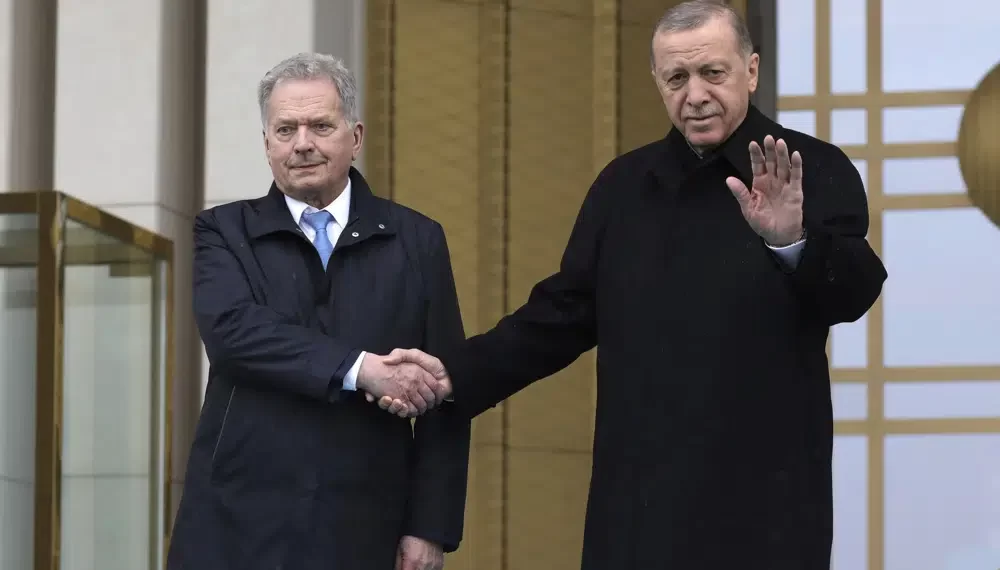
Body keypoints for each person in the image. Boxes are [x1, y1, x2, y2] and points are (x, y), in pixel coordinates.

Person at [365, 2, 888, 569]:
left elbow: (853, 294)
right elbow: (560, 316)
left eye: (713, 73)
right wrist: (455, 374)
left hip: (766, 499)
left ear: (751, 70)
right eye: (676, 78)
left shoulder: (810, 168)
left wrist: (792, 242)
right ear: (658, 83)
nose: (695, 95)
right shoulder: (624, 187)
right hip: (642, 500)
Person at [167, 52, 468, 570]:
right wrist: (362, 369)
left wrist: (429, 526)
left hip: (367, 523)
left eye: (320, 126)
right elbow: (234, 333)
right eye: (285, 130)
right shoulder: (224, 231)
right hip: (238, 524)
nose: (302, 143)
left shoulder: (417, 240)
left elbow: (444, 390)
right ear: (267, 145)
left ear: (355, 136)